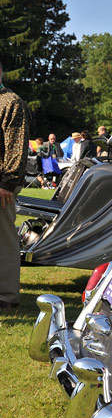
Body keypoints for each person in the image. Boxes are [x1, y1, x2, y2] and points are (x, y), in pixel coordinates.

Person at [0, 59, 28, 309]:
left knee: (4, 239)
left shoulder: (11, 102)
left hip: (1, 183)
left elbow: (16, 146)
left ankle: (6, 297)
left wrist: (8, 183)